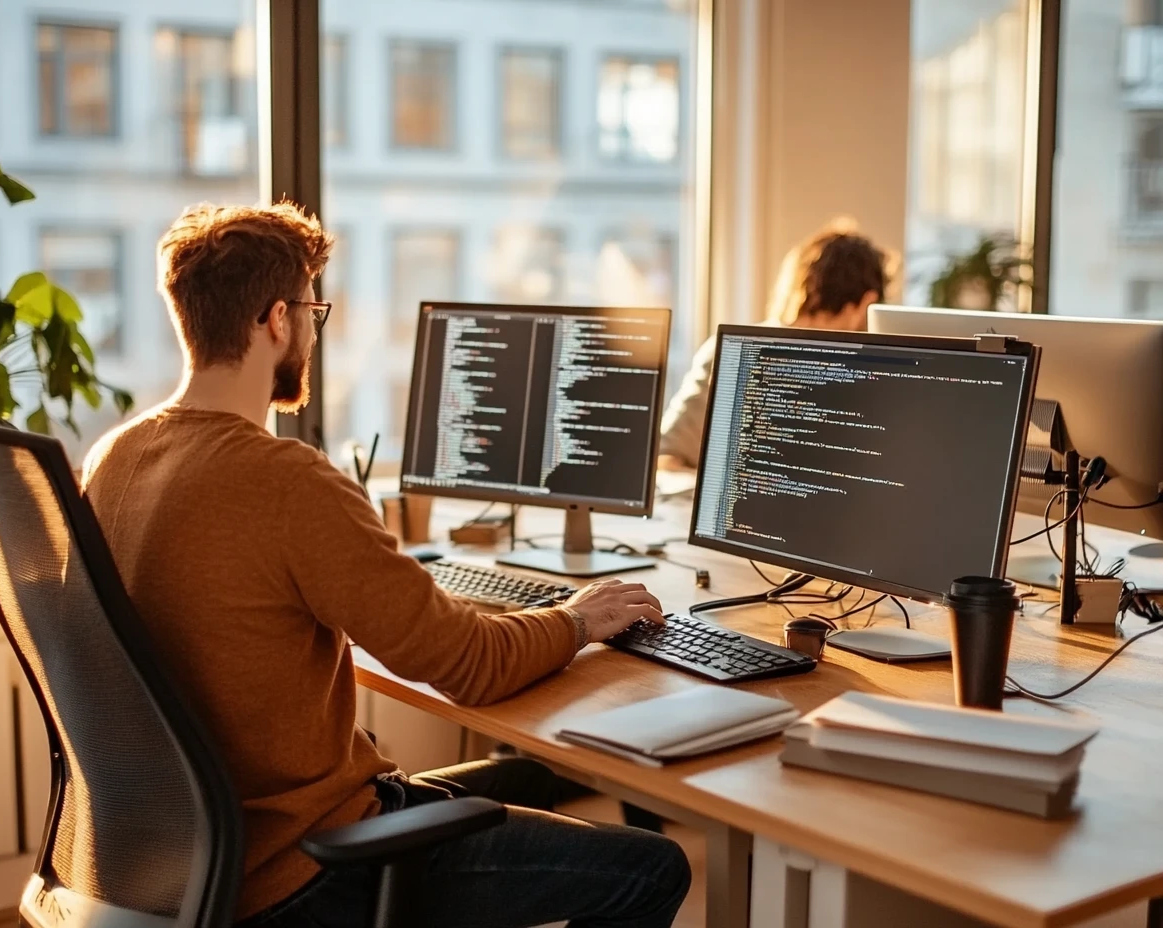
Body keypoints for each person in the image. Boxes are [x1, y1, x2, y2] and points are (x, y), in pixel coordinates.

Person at [82, 202, 690, 928]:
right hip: (299, 871)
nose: (313, 328)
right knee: (653, 868)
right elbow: (470, 665)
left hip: (175, 867)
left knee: (525, 777)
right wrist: (575, 619)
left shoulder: (112, 458)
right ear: (277, 320)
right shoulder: (286, 481)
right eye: (313, 309)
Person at [658, 221, 891, 471]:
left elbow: (666, 457)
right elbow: (665, 460)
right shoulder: (730, 354)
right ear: (867, 303)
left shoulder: (730, 350)